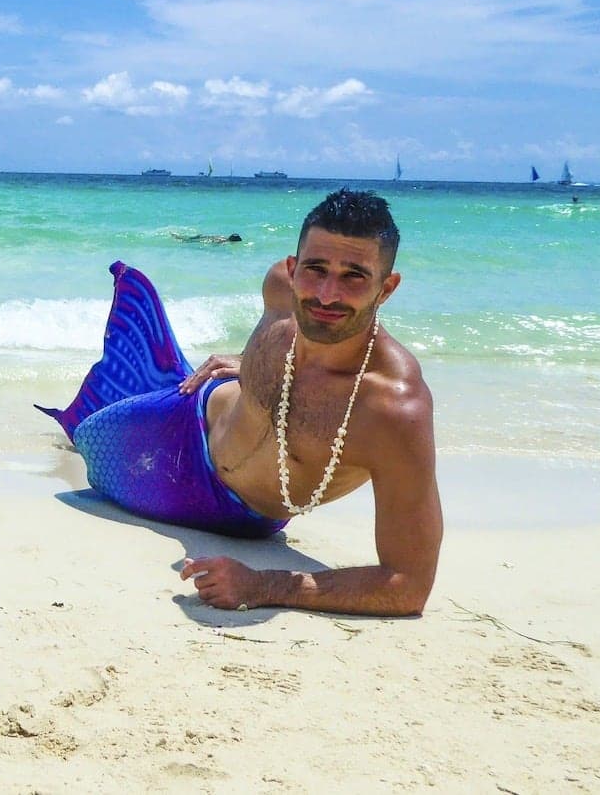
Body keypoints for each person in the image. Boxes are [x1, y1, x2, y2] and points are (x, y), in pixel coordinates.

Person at [40, 189, 441, 617]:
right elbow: (298, 356)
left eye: (354, 276)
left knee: (94, 455)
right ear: (293, 266)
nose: (326, 295)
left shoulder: (392, 410)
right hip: (183, 420)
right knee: (85, 438)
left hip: (241, 517)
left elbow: (407, 586)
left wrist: (265, 584)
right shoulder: (281, 289)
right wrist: (251, 361)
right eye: (316, 269)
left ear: (387, 288)